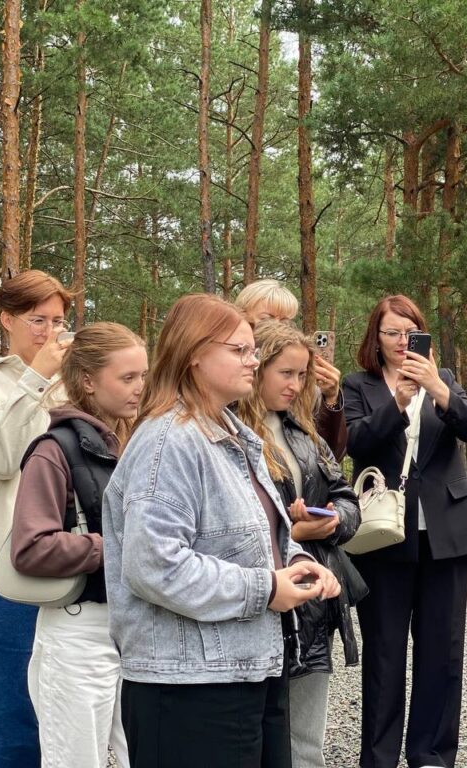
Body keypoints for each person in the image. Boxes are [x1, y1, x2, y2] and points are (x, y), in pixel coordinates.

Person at [102, 294, 340, 768]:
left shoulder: (235, 435)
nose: (253, 360)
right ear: (194, 354)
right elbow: (153, 565)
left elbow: (263, 534)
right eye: (239, 350)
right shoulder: (169, 441)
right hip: (188, 687)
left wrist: (298, 563)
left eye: (252, 350)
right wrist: (266, 587)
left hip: (250, 668)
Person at [342, 294, 467, 768]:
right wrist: (398, 403)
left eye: (411, 333)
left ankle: (432, 754)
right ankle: (379, 757)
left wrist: (437, 392)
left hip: (444, 531)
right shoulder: (357, 385)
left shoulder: (442, 379)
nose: (403, 342)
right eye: (392, 333)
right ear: (375, 340)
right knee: (384, 651)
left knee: (442, 650)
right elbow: (356, 443)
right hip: (383, 536)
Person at [10, 322, 147, 768]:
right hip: (78, 632)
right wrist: (112, 547)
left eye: (143, 376)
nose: (139, 388)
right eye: (127, 378)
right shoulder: (54, 448)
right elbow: (30, 547)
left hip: (136, 628)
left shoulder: (136, 444)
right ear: (88, 381)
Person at [0, 269, 73, 768]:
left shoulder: (81, 382)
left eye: (59, 320)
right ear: (6, 319)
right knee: (14, 718)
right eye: (37, 320)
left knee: (71, 715)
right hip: (10, 568)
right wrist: (36, 379)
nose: (49, 331)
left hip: (78, 562)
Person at [236, 320, 363, 768]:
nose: (296, 385)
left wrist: (330, 524)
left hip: (312, 605)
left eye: (302, 375)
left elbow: (348, 500)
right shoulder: (230, 434)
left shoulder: (302, 432)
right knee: (257, 738)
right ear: (256, 369)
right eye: (285, 373)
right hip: (260, 601)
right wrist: (290, 533)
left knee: (307, 742)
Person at [236, 278, 347, 459]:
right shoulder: (229, 386)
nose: (278, 326)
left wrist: (331, 399)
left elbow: (328, 459)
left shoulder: (302, 389)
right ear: (242, 320)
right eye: (267, 319)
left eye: (286, 321)